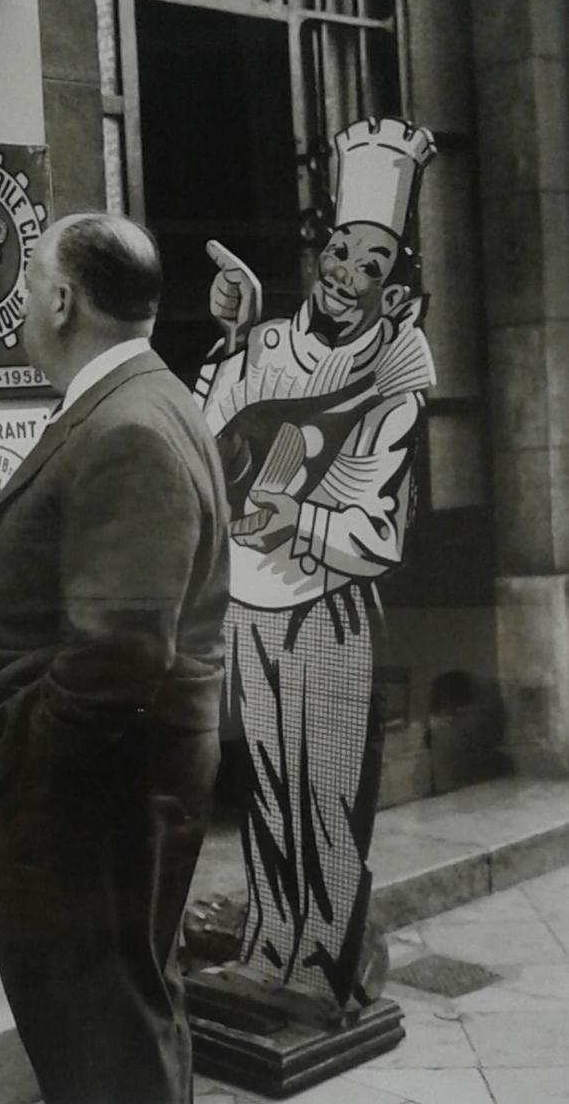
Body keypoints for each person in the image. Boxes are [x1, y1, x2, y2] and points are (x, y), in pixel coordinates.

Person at [0, 212, 230, 1104]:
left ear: (65, 300)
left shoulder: (128, 429)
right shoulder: (143, 402)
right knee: (123, 1018)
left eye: (31, 281)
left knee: (101, 1040)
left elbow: (116, 655)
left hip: (86, 808)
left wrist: (30, 763)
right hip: (111, 798)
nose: (23, 300)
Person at [192, 117, 437, 1007]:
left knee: (325, 795)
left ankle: (321, 967)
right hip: (248, 603)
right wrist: (226, 333)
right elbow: (205, 434)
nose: (346, 273)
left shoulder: (398, 373)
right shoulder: (263, 345)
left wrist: (296, 512)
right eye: (340, 250)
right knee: (263, 784)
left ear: (393, 284)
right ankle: (268, 948)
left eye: (372, 263)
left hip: (327, 605)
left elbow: (378, 530)